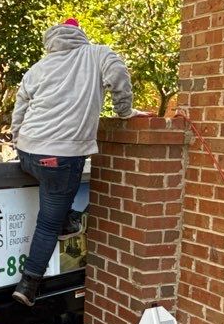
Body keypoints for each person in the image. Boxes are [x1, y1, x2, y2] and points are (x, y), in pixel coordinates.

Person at [8, 18, 146, 306]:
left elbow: (20, 105)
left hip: (28, 154)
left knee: (58, 197)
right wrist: (125, 111)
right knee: (48, 222)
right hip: (60, 158)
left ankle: (67, 215)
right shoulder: (97, 54)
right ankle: (29, 284)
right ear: (79, 34)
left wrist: (16, 136)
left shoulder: (39, 67)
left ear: (54, 39)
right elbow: (118, 75)